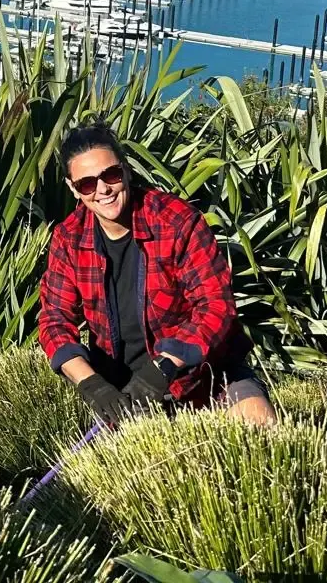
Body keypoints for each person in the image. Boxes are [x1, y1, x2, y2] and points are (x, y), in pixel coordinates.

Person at [37, 120, 276, 427]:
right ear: (73, 188)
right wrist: (93, 385)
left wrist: (164, 366)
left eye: (110, 175)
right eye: (87, 183)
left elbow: (216, 305)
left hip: (201, 377)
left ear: (124, 169)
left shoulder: (177, 220)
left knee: (258, 422)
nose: (102, 190)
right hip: (122, 391)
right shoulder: (68, 238)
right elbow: (55, 321)